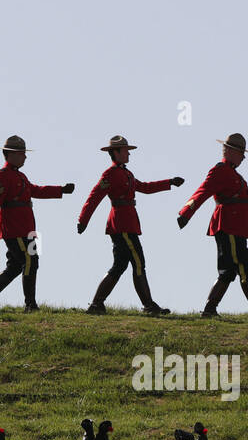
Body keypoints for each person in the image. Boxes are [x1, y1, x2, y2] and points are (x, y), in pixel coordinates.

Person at [177, 133, 248, 320]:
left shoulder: (234, 174)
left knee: (229, 271)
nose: (243, 157)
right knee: (241, 268)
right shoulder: (219, 171)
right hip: (228, 226)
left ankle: (211, 310)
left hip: (236, 228)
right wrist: (186, 213)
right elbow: (202, 191)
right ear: (230, 151)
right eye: (241, 153)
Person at [78, 135, 182, 315]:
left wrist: (169, 182)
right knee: (138, 263)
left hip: (128, 224)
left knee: (120, 266)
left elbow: (145, 187)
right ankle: (148, 306)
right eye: (126, 151)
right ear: (116, 152)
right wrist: (83, 220)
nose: (129, 154)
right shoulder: (110, 174)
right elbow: (94, 197)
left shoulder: (126, 173)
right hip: (121, 225)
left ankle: (97, 304)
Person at [0, 135, 74, 311]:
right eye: (22, 153)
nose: (25, 157)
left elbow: (36, 190)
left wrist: (61, 190)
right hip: (14, 229)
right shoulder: (2, 176)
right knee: (30, 261)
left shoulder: (20, 176)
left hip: (28, 229)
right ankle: (30, 304)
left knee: (14, 267)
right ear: (11, 154)